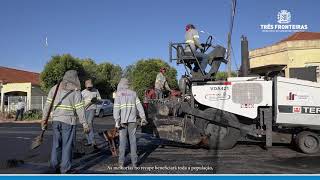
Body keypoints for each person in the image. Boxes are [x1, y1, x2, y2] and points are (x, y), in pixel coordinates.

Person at [41, 70, 90, 174]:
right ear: (75, 78)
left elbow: (47, 105)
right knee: (67, 145)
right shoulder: (76, 91)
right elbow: (79, 109)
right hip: (68, 121)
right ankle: (65, 169)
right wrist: (84, 123)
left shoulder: (55, 88)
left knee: (56, 144)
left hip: (55, 121)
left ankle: (54, 166)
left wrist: (44, 120)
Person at [113, 78, 147, 167]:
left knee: (122, 142)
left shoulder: (118, 94)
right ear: (128, 84)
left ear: (120, 84)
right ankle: (134, 162)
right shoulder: (133, 93)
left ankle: (121, 163)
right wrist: (143, 117)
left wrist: (117, 120)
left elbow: (116, 108)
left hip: (122, 122)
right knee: (133, 141)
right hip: (133, 121)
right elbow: (139, 106)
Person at [81, 79, 101, 149]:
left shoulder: (96, 90)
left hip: (92, 108)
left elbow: (99, 99)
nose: (89, 88)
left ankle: (93, 141)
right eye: (88, 87)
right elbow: (80, 102)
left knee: (89, 123)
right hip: (84, 109)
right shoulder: (82, 92)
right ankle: (89, 141)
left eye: (90, 86)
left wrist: (95, 100)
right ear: (85, 86)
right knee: (85, 125)